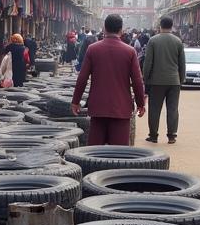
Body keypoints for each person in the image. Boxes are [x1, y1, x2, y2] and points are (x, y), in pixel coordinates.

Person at [72, 13, 146, 146]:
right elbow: (137, 81)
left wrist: (75, 101)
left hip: (98, 108)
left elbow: (82, 78)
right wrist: (140, 103)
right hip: (121, 109)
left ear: (104, 29)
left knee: (94, 154)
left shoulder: (93, 49)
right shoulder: (129, 52)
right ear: (121, 30)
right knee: (118, 154)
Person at [142, 16, 186, 145]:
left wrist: (146, 79)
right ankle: (172, 135)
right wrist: (181, 79)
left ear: (160, 26)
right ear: (172, 26)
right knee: (172, 108)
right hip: (174, 81)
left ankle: (153, 135)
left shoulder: (153, 41)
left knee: (154, 109)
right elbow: (182, 64)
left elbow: (148, 63)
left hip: (156, 81)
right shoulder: (178, 41)